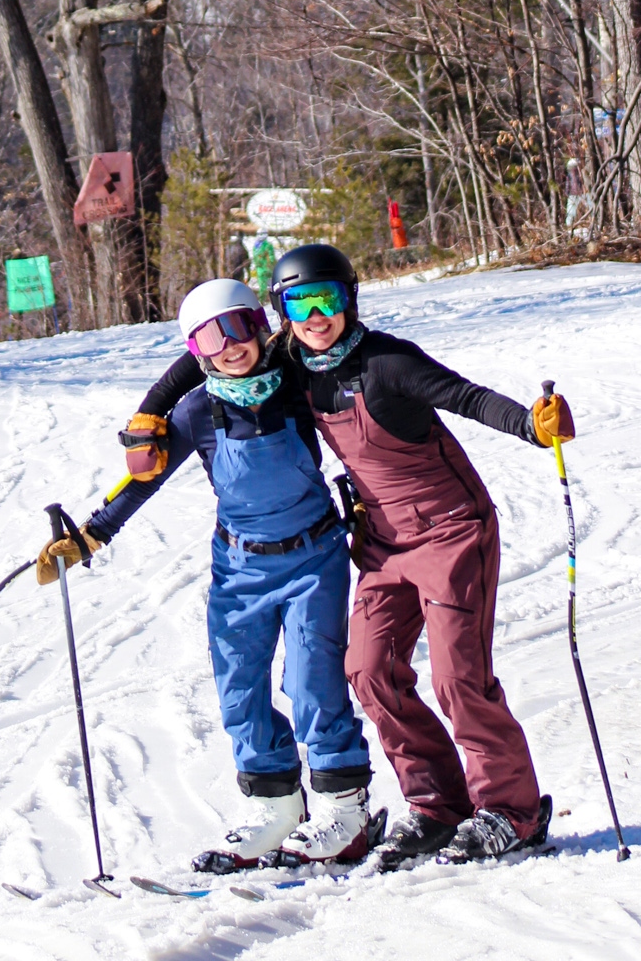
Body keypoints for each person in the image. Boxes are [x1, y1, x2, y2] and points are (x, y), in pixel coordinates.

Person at [127, 244, 574, 866]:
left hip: (451, 532)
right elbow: (203, 352)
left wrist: (532, 424)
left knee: (457, 677)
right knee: (368, 670)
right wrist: (149, 412)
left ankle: (511, 811)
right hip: (382, 545)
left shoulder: (388, 362)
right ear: (281, 315)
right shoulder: (289, 357)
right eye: (297, 304)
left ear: (350, 300)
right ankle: (437, 806)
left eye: (327, 300)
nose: (315, 317)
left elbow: (467, 397)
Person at [36, 276, 379, 871]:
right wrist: (92, 533)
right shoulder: (196, 411)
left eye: (240, 327)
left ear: (262, 327)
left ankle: (342, 810)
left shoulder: (300, 385)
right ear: (194, 351)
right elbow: (145, 482)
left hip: (313, 557)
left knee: (312, 679)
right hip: (238, 566)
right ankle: (275, 809)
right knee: (239, 686)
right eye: (209, 338)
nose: (229, 345)